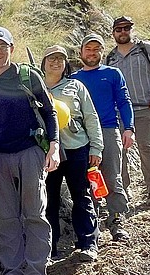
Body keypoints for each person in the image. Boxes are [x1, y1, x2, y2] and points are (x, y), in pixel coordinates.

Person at [0, 27, 60, 275]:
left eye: (3, 46)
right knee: (7, 220)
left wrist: (54, 147)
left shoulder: (28, 76)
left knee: (34, 214)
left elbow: (49, 113)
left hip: (30, 152)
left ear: (12, 48)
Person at [41, 45, 104, 263]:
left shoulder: (76, 86)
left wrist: (96, 148)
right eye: (51, 58)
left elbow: (91, 117)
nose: (56, 62)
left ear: (66, 63)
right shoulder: (35, 87)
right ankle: (49, 249)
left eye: (60, 59)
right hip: (48, 153)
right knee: (48, 200)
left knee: (82, 195)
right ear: (44, 62)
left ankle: (88, 243)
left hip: (77, 148)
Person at [73, 33, 135, 243]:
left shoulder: (113, 74)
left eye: (96, 49)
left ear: (102, 51)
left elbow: (124, 102)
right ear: (81, 52)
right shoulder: (73, 80)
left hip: (108, 130)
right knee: (86, 180)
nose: (92, 53)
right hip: (82, 135)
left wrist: (129, 128)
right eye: (88, 49)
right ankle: (92, 225)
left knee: (112, 176)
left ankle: (117, 220)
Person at [104, 16, 150, 204]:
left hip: (145, 108)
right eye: (119, 29)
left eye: (127, 28)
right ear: (113, 33)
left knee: (146, 145)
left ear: (132, 30)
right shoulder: (110, 58)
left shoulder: (146, 49)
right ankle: (123, 190)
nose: (123, 32)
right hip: (120, 112)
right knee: (119, 150)